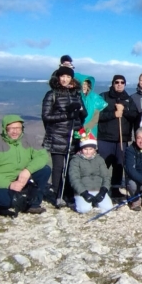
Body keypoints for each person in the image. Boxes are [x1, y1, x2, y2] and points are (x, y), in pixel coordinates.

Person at [0, 115, 51, 217]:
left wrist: (28, 171)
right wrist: (9, 184)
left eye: (18, 128)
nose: (15, 131)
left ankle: (33, 204)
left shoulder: (28, 140)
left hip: (20, 177)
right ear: (5, 128)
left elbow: (42, 156)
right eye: (11, 128)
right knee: (6, 202)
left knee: (45, 170)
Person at [41, 67, 87, 206]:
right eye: (62, 76)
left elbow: (83, 115)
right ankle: (57, 194)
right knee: (59, 167)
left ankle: (68, 193)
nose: (64, 79)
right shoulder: (51, 94)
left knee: (71, 166)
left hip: (73, 136)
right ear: (58, 77)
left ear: (71, 79)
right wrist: (67, 115)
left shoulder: (76, 94)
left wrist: (79, 109)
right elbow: (46, 116)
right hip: (57, 136)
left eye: (68, 77)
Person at [97, 75, 140, 192]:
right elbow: (96, 115)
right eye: (117, 82)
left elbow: (135, 116)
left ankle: (115, 188)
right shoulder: (104, 96)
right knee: (103, 164)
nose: (119, 84)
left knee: (119, 165)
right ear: (113, 83)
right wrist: (114, 114)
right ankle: (100, 188)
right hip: (105, 138)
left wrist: (124, 111)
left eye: (122, 82)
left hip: (122, 138)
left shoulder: (128, 99)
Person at [68, 132, 113, 214]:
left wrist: (103, 191)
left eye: (90, 149)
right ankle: (80, 201)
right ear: (81, 149)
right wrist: (84, 193)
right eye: (85, 149)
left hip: (98, 189)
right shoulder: (75, 160)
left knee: (108, 208)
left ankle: (96, 201)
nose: (88, 152)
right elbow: (74, 179)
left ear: (94, 149)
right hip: (83, 190)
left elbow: (106, 176)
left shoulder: (99, 159)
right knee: (84, 209)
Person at [75, 73, 107, 137]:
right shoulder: (74, 97)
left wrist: (85, 129)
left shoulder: (95, 98)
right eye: (82, 84)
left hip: (91, 131)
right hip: (76, 130)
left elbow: (95, 117)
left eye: (85, 84)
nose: (84, 86)